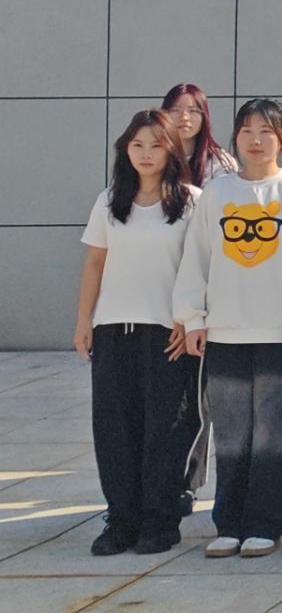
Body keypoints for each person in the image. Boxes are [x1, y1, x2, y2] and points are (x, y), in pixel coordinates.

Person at [174, 98, 282, 559]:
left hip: (281, 333)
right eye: (247, 131)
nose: (255, 140)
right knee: (232, 435)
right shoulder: (217, 193)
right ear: (235, 137)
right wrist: (193, 318)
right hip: (224, 331)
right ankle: (229, 522)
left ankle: (265, 523)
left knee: (274, 435)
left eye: (266, 131)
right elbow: (196, 258)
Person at [77, 110, 200, 556]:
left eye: (156, 145)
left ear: (172, 150)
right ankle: (121, 520)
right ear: (125, 150)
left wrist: (187, 319)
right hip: (113, 330)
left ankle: (160, 520)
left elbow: (199, 267)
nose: (146, 154)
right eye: (137, 145)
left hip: (167, 333)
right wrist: (84, 321)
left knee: (165, 429)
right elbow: (95, 262)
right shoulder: (110, 200)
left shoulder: (191, 202)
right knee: (114, 427)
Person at [162, 83, 236, 188]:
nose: (184, 117)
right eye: (176, 110)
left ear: (204, 117)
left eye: (192, 111)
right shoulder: (154, 157)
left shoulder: (219, 162)